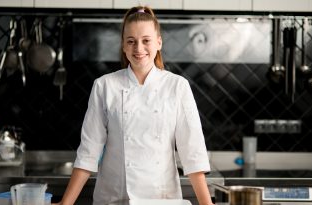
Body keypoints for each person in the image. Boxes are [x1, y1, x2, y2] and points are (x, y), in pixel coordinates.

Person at [54, 6, 214, 205]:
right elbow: (89, 151)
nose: (138, 48)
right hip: (114, 198)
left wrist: (207, 204)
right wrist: (66, 203)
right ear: (123, 46)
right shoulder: (104, 86)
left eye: (146, 40)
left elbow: (192, 152)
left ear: (159, 43)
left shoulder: (177, 86)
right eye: (131, 41)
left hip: (161, 200)